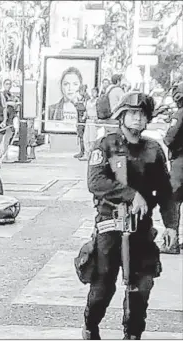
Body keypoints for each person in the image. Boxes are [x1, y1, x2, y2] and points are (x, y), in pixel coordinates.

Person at [82, 92, 179, 340]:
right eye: (132, 113)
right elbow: (95, 182)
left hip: (141, 229)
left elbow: (166, 191)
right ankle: (91, 327)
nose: (137, 118)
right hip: (110, 225)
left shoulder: (152, 150)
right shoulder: (106, 145)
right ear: (122, 116)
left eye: (142, 114)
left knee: (141, 287)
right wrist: (130, 194)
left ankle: (132, 334)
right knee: (103, 288)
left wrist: (171, 226)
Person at [161, 82, 183, 254]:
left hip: (180, 162)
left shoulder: (180, 114)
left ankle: (171, 242)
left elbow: (170, 139)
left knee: (172, 200)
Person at [1, 79, 21, 162]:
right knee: (4, 139)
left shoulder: (11, 95)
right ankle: (3, 156)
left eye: (9, 84)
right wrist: (10, 103)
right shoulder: (2, 94)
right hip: (5, 119)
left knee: (8, 138)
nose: (8, 85)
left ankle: (5, 155)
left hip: (11, 119)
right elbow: (3, 104)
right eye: (6, 84)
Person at [81, 87, 99, 160]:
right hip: (88, 120)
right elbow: (86, 110)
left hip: (94, 120)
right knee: (86, 137)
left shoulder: (98, 101)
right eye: (92, 92)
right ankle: (86, 154)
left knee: (92, 138)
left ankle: (92, 154)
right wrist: (84, 117)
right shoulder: (88, 101)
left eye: (94, 92)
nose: (93, 93)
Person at [74, 84, 90, 159]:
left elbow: (85, 108)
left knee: (83, 136)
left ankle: (83, 152)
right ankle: (82, 151)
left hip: (83, 120)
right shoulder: (83, 98)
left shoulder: (87, 98)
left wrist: (77, 105)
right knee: (81, 136)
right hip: (80, 119)